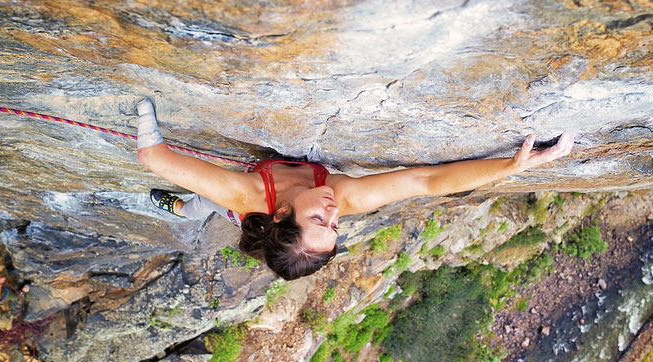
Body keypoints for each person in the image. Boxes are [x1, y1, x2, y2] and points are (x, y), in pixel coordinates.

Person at [136, 98, 574, 281]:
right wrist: (511, 167)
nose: (333, 212)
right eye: (334, 226)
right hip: (262, 206)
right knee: (203, 206)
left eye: (318, 221)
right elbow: (424, 181)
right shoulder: (343, 197)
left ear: (282, 215)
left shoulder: (245, 197)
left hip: (239, 206)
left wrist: (143, 112)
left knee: (203, 206)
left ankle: (176, 207)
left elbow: (155, 158)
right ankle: (180, 207)